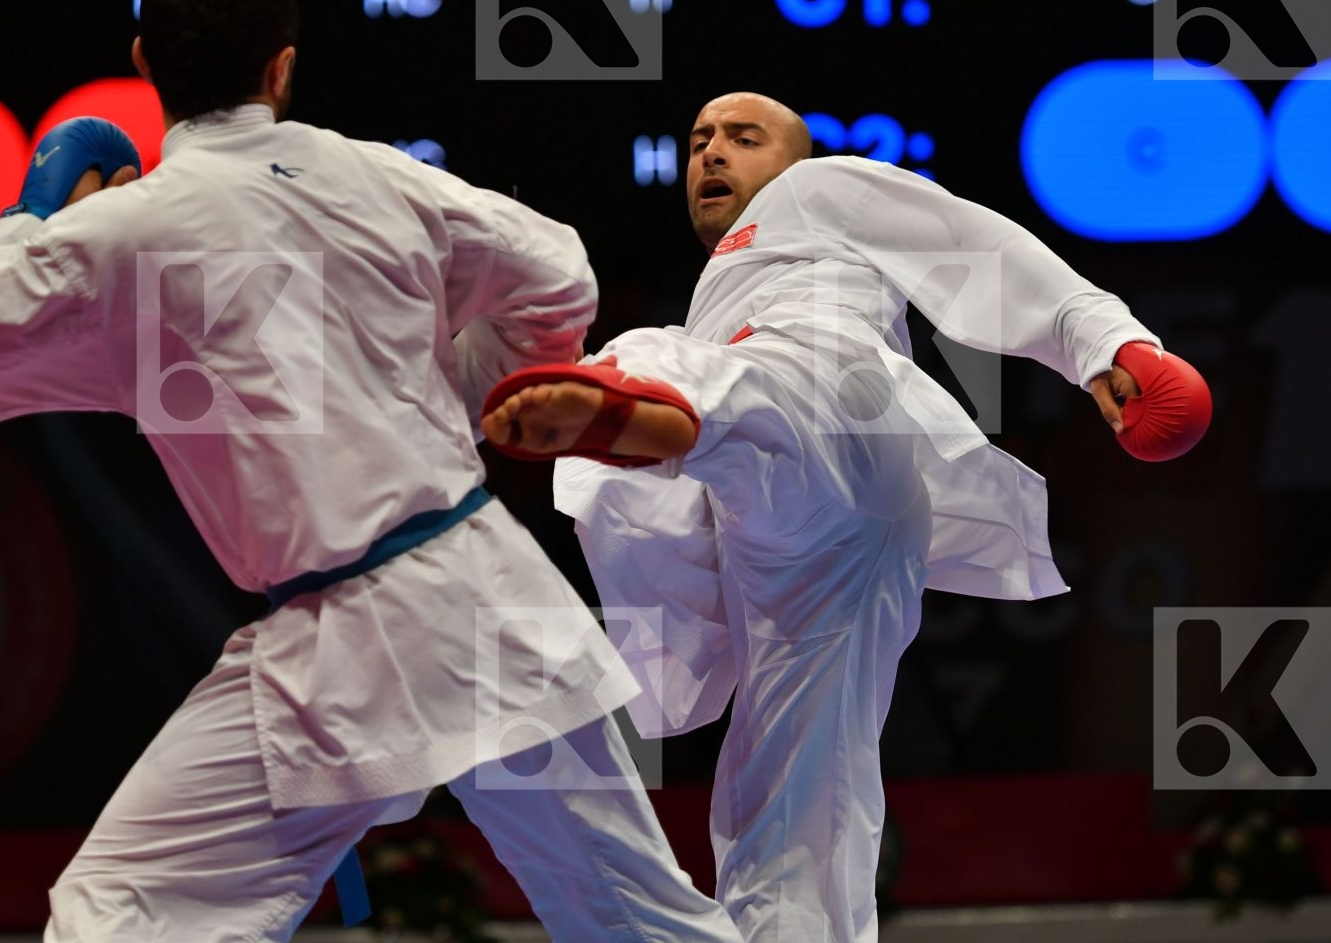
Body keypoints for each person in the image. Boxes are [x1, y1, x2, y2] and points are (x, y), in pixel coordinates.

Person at [0, 0, 743, 942]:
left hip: (344, 643)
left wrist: (30, 217)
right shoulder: (381, 178)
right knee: (644, 924)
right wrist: (467, 393)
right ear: (282, 66)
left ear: (142, 64)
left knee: (120, 915)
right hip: (490, 596)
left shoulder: (123, 235)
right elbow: (557, 271)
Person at [481, 92, 1211, 942]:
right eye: (698, 142)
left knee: (689, 364)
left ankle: (640, 405)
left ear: (793, 161)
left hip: (840, 411)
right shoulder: (722, 288)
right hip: (802, 533)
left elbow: (978, 245)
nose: (712, 153)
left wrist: (1109, 344)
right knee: (792, 800)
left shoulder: (819, 191)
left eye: (743, 139)